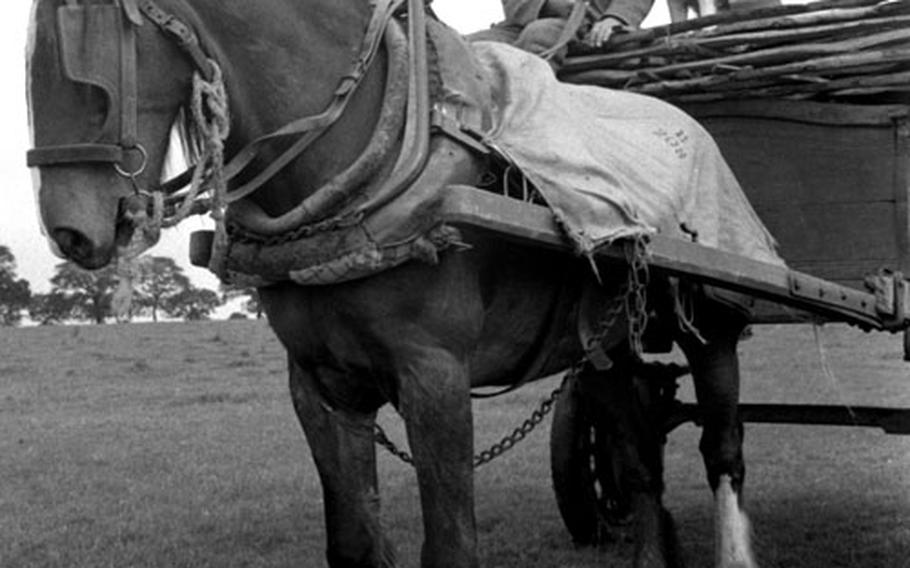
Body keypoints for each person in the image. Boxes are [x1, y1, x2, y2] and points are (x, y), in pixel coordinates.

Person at [468, 0, 654, 62]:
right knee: (464, 45)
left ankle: (530, 109)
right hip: (523, 21)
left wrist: (615, 18)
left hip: (590, 25)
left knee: (539, 35)